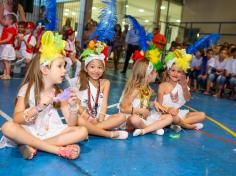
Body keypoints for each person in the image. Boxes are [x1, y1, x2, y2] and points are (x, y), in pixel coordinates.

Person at [0, 31, 88, 160]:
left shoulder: (59, 93)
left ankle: (31, 144)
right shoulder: (27, 89)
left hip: (50, 132)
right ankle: (55, 149)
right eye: (60, 66)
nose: (64, 70)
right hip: (30, 131)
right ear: (45, 69)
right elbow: (17, 119)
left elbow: (71, 124)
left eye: (64, 66)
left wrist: (73, 107)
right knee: (7, 127)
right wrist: (39, 107)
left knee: (83, 131)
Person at [71, 40, 128, 139]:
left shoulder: (105, 83)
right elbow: (77, 104)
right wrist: (88, 117)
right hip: (86, 118)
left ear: (104, 69)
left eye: (100, 67)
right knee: (79, 120)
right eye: (92, 67)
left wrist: (100, 119)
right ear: (86, 68)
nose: (96, 71)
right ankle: (101, 131)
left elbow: (104, 104)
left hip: (100, 118)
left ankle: (92, 130)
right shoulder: (80, 81)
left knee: (122, 117)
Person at [119, 58, 173, 137]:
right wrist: (141, 111)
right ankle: (153, 129)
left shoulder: (148, 89)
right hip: (130, 119)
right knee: (134, 119)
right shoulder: (135, 89)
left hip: (143, 118)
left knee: (169, 118)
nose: (156, 74)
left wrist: (153, 104)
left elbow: (143, 103)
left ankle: (145, 130)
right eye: (155, 72)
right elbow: (123, 108)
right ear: (148, 75)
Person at [157, 49, 205, 131]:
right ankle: (182, 124)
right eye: (173, 70)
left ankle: (176, 124)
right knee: (173, 118)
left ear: (183, 74)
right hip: (165, 114)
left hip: (178, 114)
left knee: (202, 115)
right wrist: (169, 111)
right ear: (168, 71)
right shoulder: (162, 86)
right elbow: (159, 106)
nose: (175, 74)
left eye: (179, 72)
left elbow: (187, 99)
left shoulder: (182, 85)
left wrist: (184, 86)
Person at [0, 13, 17, 80]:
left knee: (6, 61)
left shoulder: (12, 29)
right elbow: (3, 37)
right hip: (3, 46)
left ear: (11, 21)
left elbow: (8, 39)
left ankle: (8, 74)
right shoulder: (5, 28)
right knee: (4, 61)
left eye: (5, 19)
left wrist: (0, 42)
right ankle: (5, 73)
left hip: (7, 46)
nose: (4, 21)